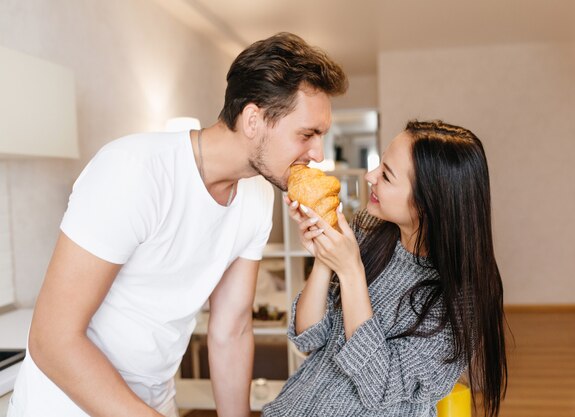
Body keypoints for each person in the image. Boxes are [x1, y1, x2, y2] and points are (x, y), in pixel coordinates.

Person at [8, 32, 347, 417]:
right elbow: (53, 340)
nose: (318, 153)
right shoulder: (133, 172)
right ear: (253, 119)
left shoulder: (257, 197)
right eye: (307, 134)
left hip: (153, 400)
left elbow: (231, 329)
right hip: (64, 405)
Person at [262, 119, 508, 417]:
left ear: (428, 203)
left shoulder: (463, 299)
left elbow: (380, 388)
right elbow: (308, 338)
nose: (369, 176)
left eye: (386, 176)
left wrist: (352, 272)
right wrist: (325, 259)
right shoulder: (369, 232)